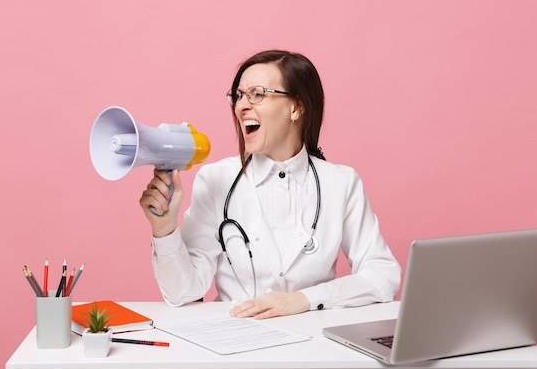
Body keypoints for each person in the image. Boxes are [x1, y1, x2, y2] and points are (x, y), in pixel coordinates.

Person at [139, 50, 401, 320]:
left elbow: (383, 274)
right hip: (237, 346)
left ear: (296, 107)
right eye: (238, 95)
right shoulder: (215, 179)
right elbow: (182, 293)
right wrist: (165, 229)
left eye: (257, 94)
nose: (241, 106)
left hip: (314, 348)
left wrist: (303, 300)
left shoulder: (341, 183)